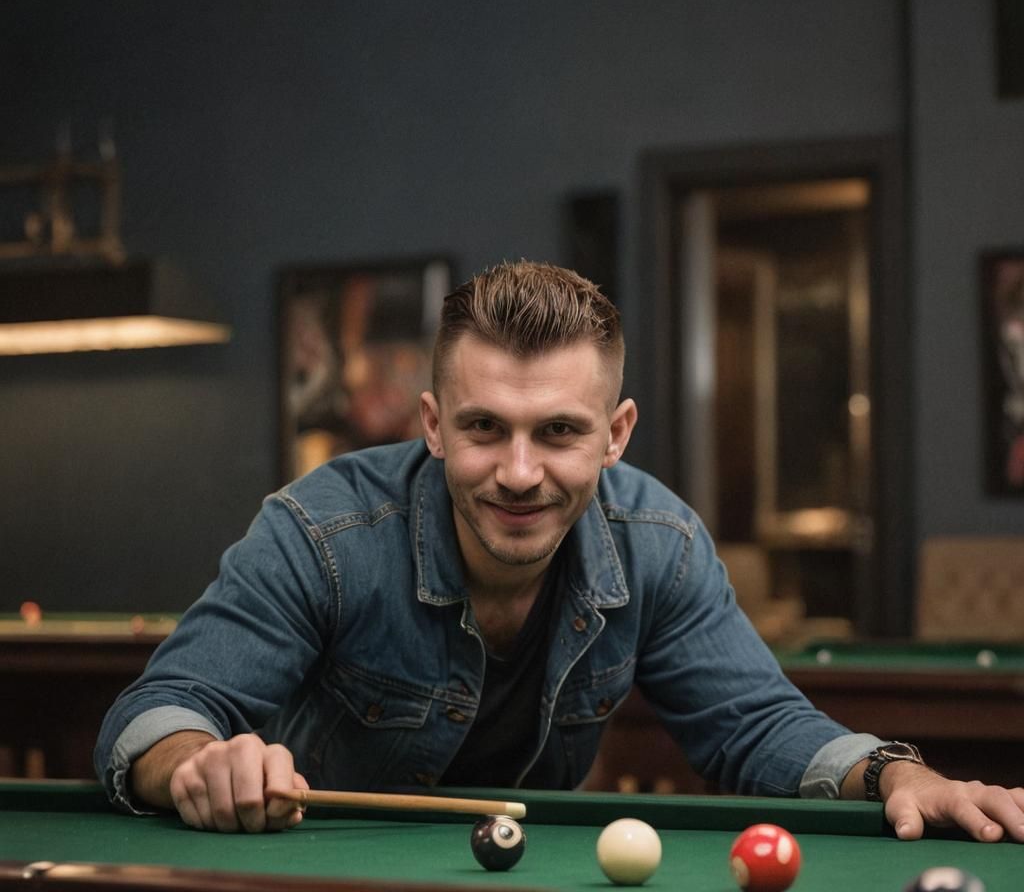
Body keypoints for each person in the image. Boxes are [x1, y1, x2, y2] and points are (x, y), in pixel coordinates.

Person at [96, 260, 1024, 841]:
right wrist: (196, 762)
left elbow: (753, 726)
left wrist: (898, 771)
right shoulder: (322, 530)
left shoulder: (658, 542)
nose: (519, 472)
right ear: (432, 424)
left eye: (560, 432)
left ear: (615, 434)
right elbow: (160, 711)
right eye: (485, 427)